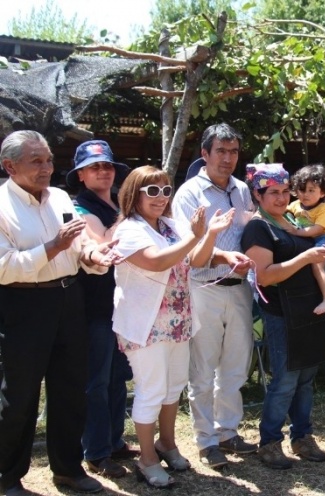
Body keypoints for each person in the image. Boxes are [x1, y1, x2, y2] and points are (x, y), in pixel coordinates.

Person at [0, 130, 119, 496]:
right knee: (19, 396)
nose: (47, 168)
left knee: (71, 390)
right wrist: (53, 246)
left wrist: (93, 256)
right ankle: (7, 476)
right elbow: (4, 267)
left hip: (69, 300)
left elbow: (78, 242)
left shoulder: (61, 197)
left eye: (49, 159)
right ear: (10, 166)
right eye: (36, 161)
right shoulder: (1, 205)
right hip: (22, 305)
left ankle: (68, 469)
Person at [112, 165, 232, 488]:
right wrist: (195, 236)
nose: (162, 198)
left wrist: (213, 237)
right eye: (152, 191)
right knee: (150, 391)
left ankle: (167, 444)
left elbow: (196, 260)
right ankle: (147, 458)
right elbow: (156, 261)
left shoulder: (169, 225)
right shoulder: (127, 231)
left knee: (173, 386)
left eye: (166, 190)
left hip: (178, 319)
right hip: (146, 324)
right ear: (133, 194)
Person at [171, 123, 257, 469]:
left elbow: (249, 232)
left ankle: (227, 431)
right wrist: (225, 257)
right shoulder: (188, 194)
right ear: (204, 154)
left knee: (235, 369)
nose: (227, 158)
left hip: (240, 289)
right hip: (203, 288)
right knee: (203, 370)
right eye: (220, 151)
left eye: (233, 151)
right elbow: (188, 247)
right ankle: (206, 441)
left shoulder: (243, 191)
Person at [241, 163, 325, 470]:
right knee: (285, 380)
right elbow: (264, 276)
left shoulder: (294, 218)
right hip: (281, 313)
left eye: (284, 191)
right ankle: (268, 442)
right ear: (258, 193)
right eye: (273, 193)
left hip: (308, 308)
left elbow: (315, 255)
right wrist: (306, 256)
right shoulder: (258, 228)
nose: (281, 198)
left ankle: (302, 436)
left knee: (306, 378)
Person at [65, 140, 138, 479]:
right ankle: (95, 452)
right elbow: (103, 245)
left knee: (117, 377)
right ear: (80, 175)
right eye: (95, 167)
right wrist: (131, 215)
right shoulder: (79, 208)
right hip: (94, 306)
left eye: (107, 166)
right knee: (96, 381)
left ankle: (113, 441)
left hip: (122, 304)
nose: (103, 171)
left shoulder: (113, 204)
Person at [287, 164, 325, 333]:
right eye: (302, 189)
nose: (306, 194)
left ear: (323, 192)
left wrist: (297, 231)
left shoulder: (323, 208)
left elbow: (318, 229)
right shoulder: (296, 205)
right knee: (322, 273)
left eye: (312, 190)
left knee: (317, 265)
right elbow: (285, 213)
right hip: (313, 240)